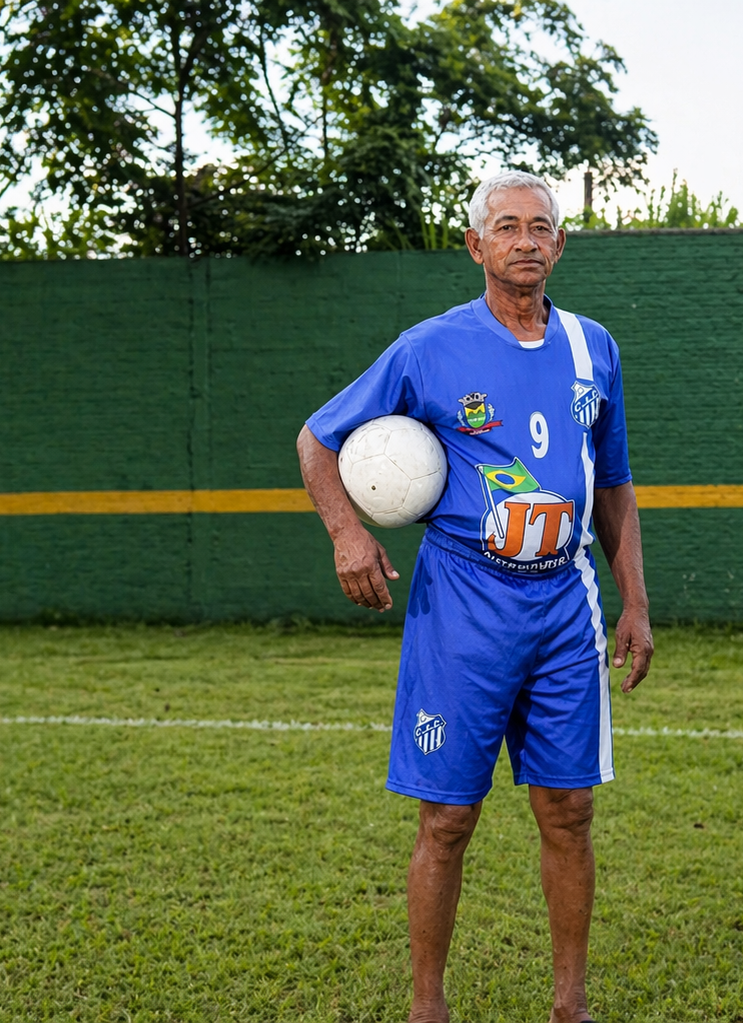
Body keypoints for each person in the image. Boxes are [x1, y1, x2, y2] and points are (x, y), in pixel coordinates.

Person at [296, 169, 652, 1023]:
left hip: (563, 601)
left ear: (560, 243)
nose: (525, 240)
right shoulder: (428, 349)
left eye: (540, 226)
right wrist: (347, 533)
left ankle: (570, 1006)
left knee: (569, 809)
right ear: (474, 244)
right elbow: (316, 439)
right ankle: (428, 1008)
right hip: (463, 603)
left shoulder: (593, 347)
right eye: (507, 226)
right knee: (448, 817)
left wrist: (633, 601)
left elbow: (613, 484)